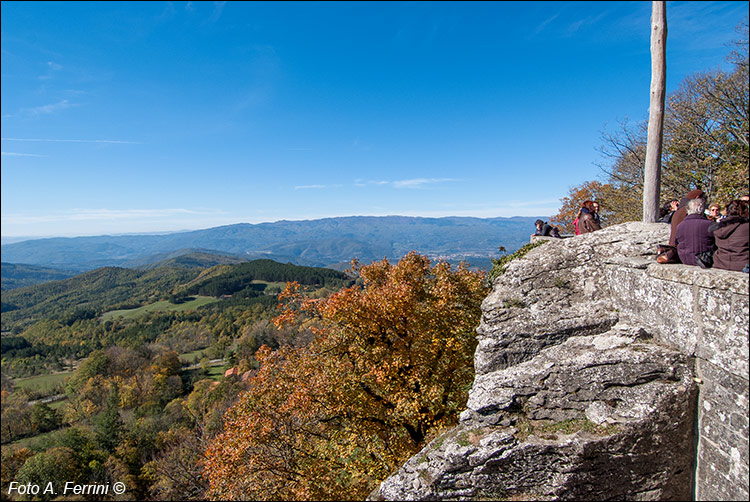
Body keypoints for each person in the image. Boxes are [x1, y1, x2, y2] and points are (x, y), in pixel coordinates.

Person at [709, 199, 749, 272]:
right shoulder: (746, 227)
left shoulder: (719, 227)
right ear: (744, 211)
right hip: (743, 267)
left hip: (720, 265)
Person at [674, 198, 716, 266]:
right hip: (705, 260)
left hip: (685, 259)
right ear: (702, 210)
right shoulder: (710, 225)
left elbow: (676, 242)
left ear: (688, 210)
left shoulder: (680, 226)